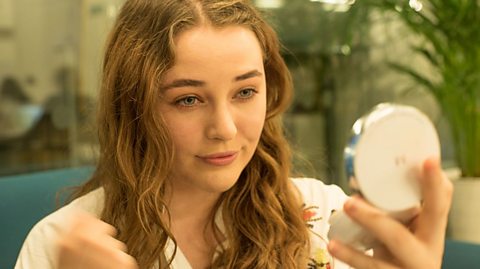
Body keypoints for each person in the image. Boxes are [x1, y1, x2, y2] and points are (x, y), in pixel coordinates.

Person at [15, 0, 453, 268]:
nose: (225, 129)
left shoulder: (326, 222)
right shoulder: (63, 248)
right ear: (134, 106)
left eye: (245, 92)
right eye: (188, 99)